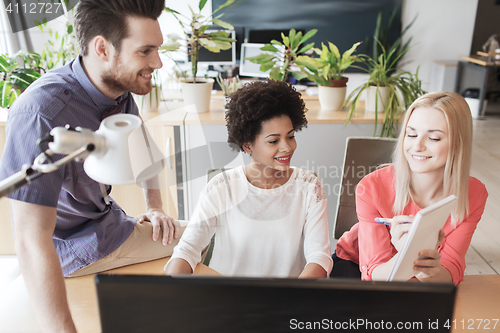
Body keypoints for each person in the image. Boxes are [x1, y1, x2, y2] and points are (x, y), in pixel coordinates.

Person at [0, 1, 180, 332]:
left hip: (108, 221)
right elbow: (30, 238)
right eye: (146, 51)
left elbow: (144, 149)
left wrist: (155, 207)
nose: (158, 62)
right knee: (203, 236)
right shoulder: (40, 115)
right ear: (102, 48)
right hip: (75, 248)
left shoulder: (117, 86)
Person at [165, 80, 333, 278]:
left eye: (290, 136)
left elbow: (319, 258)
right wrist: (169, 292)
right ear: (247, 146)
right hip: (229, 298)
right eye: (273, 141)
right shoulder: (221, 188)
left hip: (288, 299)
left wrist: (290, 299)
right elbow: (187, 250)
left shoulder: (309, 187)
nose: (287, 147)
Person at [332, 92, 488, 285]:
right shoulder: (370, 187)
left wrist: (419, 263)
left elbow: (451, 270)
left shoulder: (474, 194)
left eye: (433, 138)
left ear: (458, 144)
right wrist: (407, 254)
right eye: (411, 134)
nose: (417, 146)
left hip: (419, 276)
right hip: (358, 266)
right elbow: (374, 277)